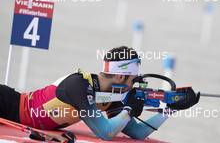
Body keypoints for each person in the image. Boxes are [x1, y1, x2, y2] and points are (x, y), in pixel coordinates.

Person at [0, 46, 199, 141]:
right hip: (7, 104)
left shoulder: (112, 96)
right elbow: (104, 132)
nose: (134, 85)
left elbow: (137, 133)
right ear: (120, 78)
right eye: (133, 79)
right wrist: (129, 109)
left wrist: (169, 110)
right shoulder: (78, 86)